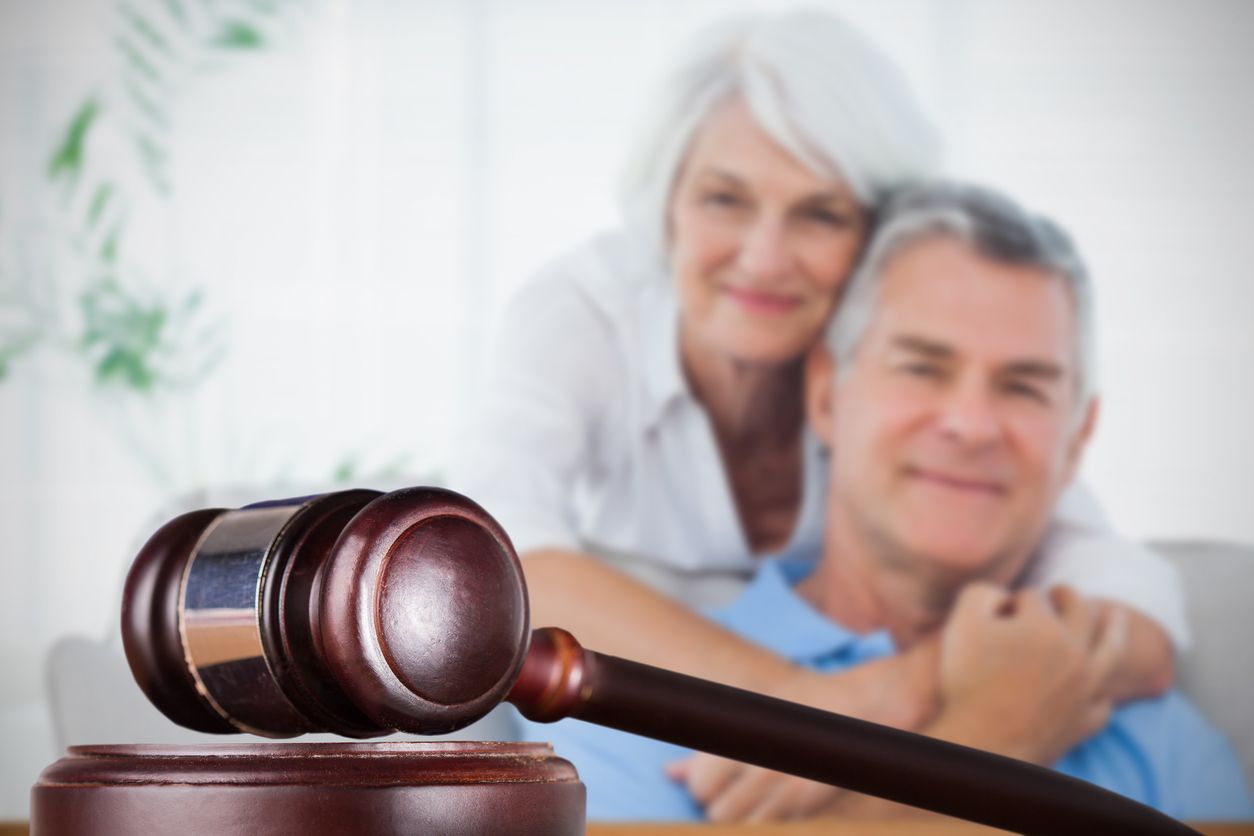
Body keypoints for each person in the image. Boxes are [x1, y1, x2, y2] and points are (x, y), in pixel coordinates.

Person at [452, 9, 1186, 817]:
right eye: (724, 199)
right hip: (671, 663)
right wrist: (814, 710)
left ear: (880, 243)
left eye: (820, 214)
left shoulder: (919, 387)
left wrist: (909, 688)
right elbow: (492, 558)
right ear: (665, 209)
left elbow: (1129, 601)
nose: (765, 257)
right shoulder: (584, 315)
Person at [523, 183, 1253, 822]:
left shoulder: (1163, 737)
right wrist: (994, 733)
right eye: (922, 368)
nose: (971, 425)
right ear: (824, 395)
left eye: (1024, 386)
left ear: (1079, 439)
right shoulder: (617, 712)